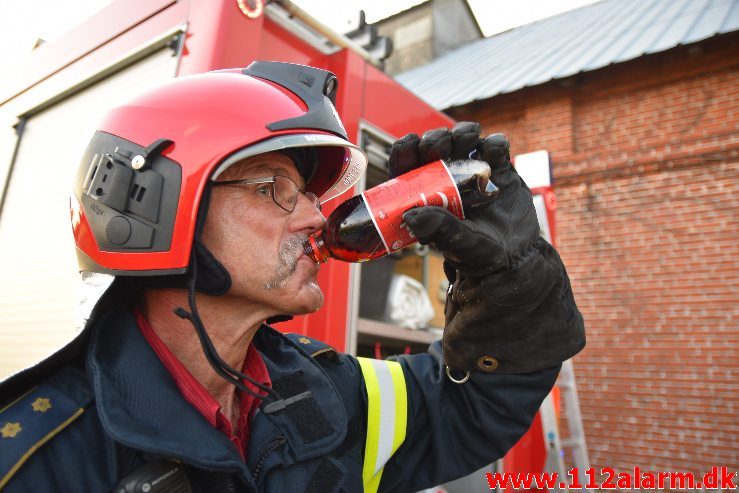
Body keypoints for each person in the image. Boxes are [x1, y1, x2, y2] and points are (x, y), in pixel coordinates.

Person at [0, 61, 585, 492]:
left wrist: (511, 278)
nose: (313, 215)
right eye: (270, 188)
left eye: (306, 192)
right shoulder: (39, 462)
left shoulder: (322, 390)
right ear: (156, 209)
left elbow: (473, 407)